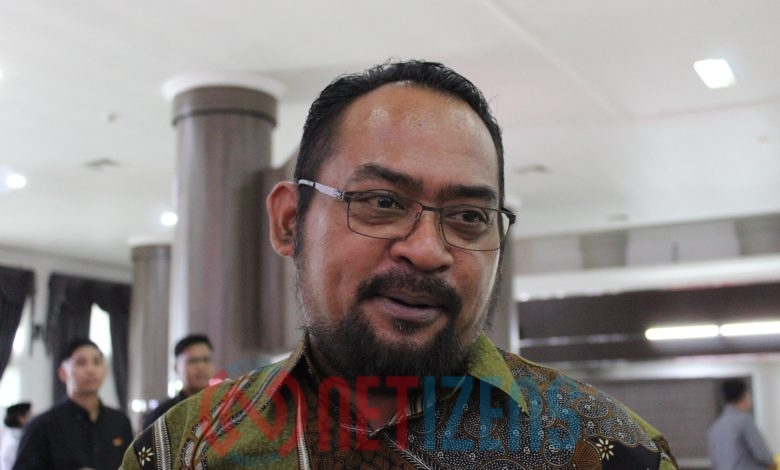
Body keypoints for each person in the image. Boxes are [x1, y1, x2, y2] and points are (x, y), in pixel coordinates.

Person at [123, 60, 678, 469]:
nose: (428, 250)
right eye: (383, 203)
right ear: (290, 221)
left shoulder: (609, 451)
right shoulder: (184, 451)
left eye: (468, 217)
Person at [14, 338, 132, 470]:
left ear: (105, 370)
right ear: (63, 373)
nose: (90, 369)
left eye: (97, 362)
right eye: (81, 363)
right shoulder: (42, 426)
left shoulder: (120, 422)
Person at [141, 334, 214, 429]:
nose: (201, 367)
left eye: (206, 360)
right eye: (193, 361)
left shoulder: (223, 408)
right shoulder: (162, 416)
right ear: (176, 367)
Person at [708, 378, 776, 470]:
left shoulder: (715, 427)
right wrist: (772, 463)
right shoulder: (744, 421)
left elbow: (714, 461)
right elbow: (762, 453)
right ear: (744, 396)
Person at [0, 402, 31, 470]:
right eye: (29, 415)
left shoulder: (10, 434)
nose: (31, 418)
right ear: (21, 418)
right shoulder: (13, 441)